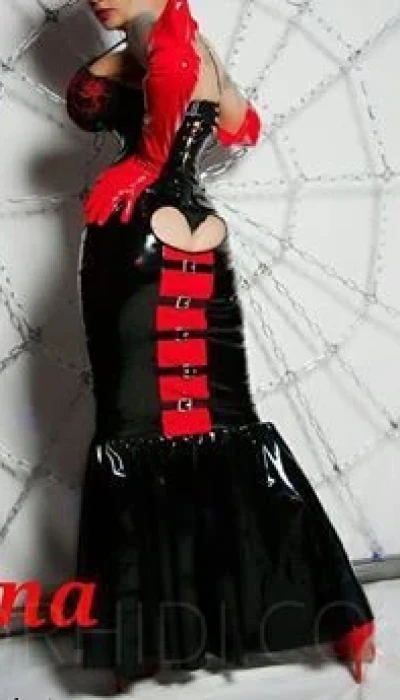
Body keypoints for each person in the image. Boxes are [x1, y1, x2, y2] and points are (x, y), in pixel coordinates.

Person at [65, 0, 376, 694]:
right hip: (201, 233)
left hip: (138, 236)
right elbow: (242, 124)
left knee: (131, 426)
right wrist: (146, 70)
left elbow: (161, 106)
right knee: (225, 417)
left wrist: (142, 160)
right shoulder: (184, 41)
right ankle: (340, 613)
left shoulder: (163, 42)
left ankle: (147, 635)